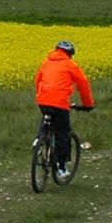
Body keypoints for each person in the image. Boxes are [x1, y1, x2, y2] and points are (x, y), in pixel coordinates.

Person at [34, 39, 95, 182]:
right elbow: (83, 83)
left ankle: (38, 139)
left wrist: (41, 95)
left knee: (47, 118)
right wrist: (88, 104)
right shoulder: (69, 64)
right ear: (69, 54)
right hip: (60, 103)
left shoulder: (46, 62)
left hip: (42, 100)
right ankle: (61, 167)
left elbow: (37, 80)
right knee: (62, 133)